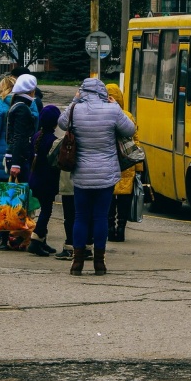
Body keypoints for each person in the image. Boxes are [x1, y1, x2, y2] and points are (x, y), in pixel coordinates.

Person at [59, 78, 136, 276]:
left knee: (81, 217)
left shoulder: (76, 109)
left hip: (82, 173)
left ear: (82, 91)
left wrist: (74, 100)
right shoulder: (112, 110)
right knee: (101, 217)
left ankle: (77, 263)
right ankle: (99, 263)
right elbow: (130, 129)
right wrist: (116, 106)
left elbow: (62, 123)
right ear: (103, 92)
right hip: (106, 173)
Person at [0, 75, 39, 242]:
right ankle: (16, 232)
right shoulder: (29, 105)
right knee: (19, 194)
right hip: (21, 156)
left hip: (3, 154)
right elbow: (29, 131)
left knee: (2, 194)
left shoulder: (1, 104)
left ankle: (2, 231)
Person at [106, 83, 140, 243]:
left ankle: (110, 228)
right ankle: (121, 228)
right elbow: (136, 141)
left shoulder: (103, 115)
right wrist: (138, 166)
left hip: (109, 161)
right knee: (124, 199)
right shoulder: (128, 116)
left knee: (109, 198)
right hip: (126, 163)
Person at [26, 105, 61, 257]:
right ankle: (36, 240)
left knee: (44, 209)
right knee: (46, 210)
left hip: (35, 178)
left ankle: (42, 240)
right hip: (47, 181)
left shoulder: (37, 136)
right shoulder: (53, 141)